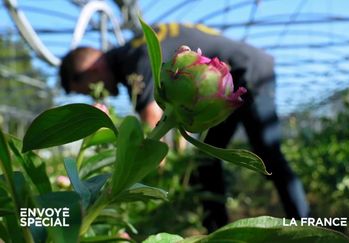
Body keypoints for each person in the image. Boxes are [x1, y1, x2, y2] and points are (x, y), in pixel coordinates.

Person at [59, 22, 309, 232]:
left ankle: (306, 225)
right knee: (205, 161)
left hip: (249, 70)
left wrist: (153, 170)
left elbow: (152, 128)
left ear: (91, 69)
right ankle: (216, 230)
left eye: (84, 89)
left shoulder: (135, 58)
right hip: (220, 88)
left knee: (268, 153)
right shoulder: (132, 52)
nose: (93, 95)